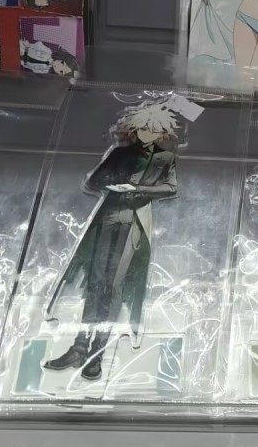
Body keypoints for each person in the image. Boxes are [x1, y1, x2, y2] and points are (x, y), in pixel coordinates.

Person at [44, 98, 181, 381]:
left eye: (153, 131)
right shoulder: (120, 153)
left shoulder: (165, 158)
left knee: (114, 286)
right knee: (95, 283)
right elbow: (94, 181)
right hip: (107, 218)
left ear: (161, 133)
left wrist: (138, 189)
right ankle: (79, 347)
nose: (147, 135)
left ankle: (97, 353)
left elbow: (170, 187)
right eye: (143, 129)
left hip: (134, 223)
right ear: (134, 129)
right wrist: (115, 183)